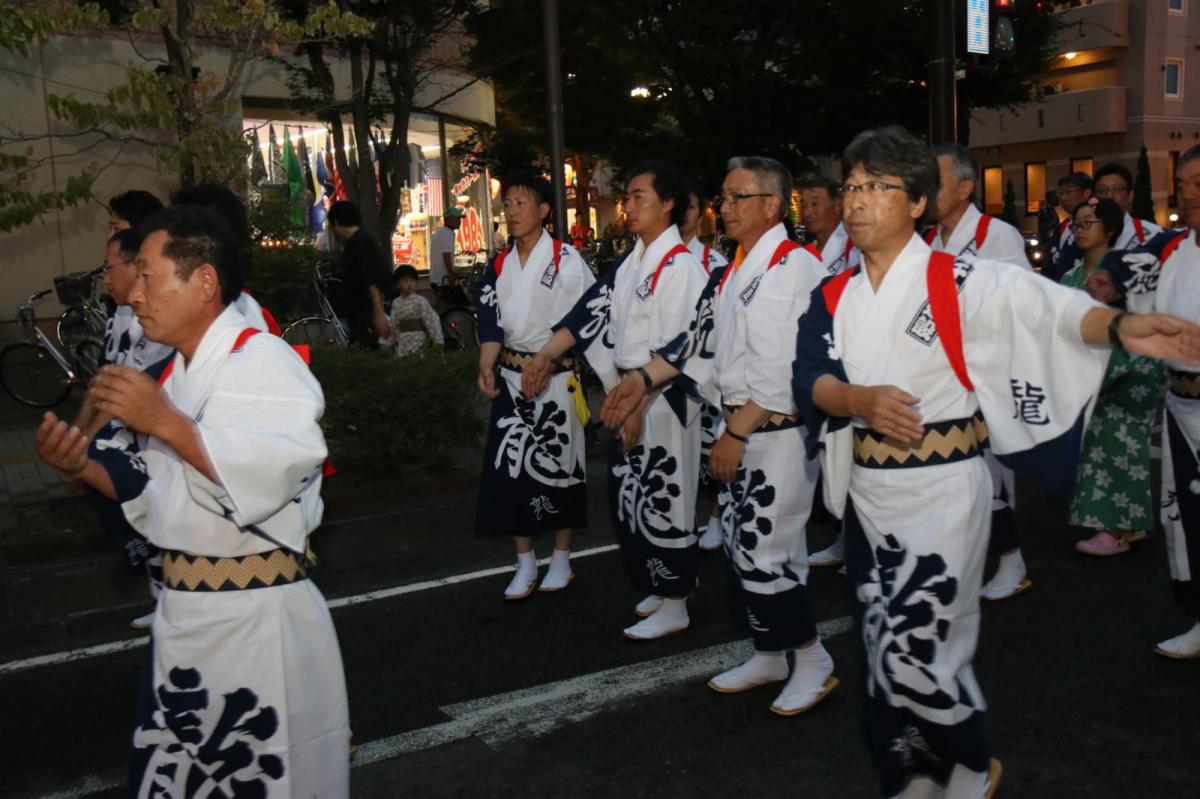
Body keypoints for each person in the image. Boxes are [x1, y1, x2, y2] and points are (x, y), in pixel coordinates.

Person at [792, 125, 1200, 798]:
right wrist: (857, 396)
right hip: (869, 492)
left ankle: (969, 762)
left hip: (943, 488)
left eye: (877, 186)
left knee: (930, 638)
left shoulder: (961, 279)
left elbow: (1046, 310)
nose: (857, 201)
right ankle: (913, 767)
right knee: (882, 642)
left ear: (918, 201)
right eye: (851, 186)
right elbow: (810, 375)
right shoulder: (833, 295)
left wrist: (1123, 326)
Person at [34, 205, 351, 796]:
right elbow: (164, 500)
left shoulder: (264, 361)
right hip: (188, 620)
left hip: (257, 624)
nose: (134, 296)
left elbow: (277, 466)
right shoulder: (179, 375)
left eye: (149, 276)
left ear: (203, 281)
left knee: (261, 778)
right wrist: (85, 466)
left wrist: (168, 424)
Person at [602, 156, 838, 716]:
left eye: (737, 198)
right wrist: (638, 381)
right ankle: (770, 651)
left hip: (772, 432)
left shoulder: (792, 267)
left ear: (772, 207)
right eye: (723, 197)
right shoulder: (737, 268)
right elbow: (696, 342)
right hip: (742, 426)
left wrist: (733, 432)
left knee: (767, 554)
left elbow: (783, 368)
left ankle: (812, 657)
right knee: (745, 548)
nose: (723, 208)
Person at [523, 160, 709, 640]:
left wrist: (638, 403)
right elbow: (589, 316)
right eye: (626, 197)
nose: (627, 206)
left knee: (669, 495)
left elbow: (680, 349)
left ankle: (676, 598)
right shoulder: (632, 262)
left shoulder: (681, 267)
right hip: (629, 393)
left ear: (668, 204)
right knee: (632, 498)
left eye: (638, 196)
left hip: (663, 399)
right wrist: (544, 356)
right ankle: (660, 584)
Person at [1088, 142, 1200, 658]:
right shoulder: (1174, 247)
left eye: (1199, 185)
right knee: (1186, 519)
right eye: (1183, 187)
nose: (1189, 195)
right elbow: (1126, 273)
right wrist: (1109, 280)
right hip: (1179, 404)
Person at [474, 173, 595, 599]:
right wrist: (487, 364)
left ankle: (562, 557)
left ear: (544, 210)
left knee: (562, 469)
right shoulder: (498, 265)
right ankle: (524, 561)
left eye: (522, 202)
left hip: (556, 379)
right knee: (509, 471)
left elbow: (587, 319)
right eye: (507, 203)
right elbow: (489, 324)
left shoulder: (567, 260)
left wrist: (549, 358)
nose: (512, 210)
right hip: (512, 379)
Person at [927, 143, 1034, 602]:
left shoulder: (997, 234)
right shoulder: (929, 240)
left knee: (990, 477)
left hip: (985, 375)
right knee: (949, 478)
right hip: (941, 377)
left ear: (966, 187)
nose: (926, 191)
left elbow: (1019, 301)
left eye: (936, 181)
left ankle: (1012, 560)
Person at [1060, 198, 1162, 556]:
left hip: (1125, 370)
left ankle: (1115, 528)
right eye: (1076, 223)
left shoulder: (1125, 273)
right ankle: (1123, 524)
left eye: (1089, 222)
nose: (1080, 229)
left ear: (1111, 229)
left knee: (1119, 447)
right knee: (1094, 449)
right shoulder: (1071, 275)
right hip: (1084, 370)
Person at [87, 229, 175, 629]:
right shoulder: (123, 314)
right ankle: (165, 597)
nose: (139, 292)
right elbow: (110, 379)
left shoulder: (238, 336)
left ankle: (172, 599)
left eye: (147, 275)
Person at [796, 174, 860, 569]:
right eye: (804, 203)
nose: (808, 210)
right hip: (816, 361)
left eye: (816, 202)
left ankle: (855, 539)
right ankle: (841, 536)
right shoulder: (807, 252)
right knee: (829, 458)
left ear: (838, 205)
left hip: (848, 363)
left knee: (849, 455)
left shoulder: (852, 248)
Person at [680, 187, 728, 551]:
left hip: (706, 372)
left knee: (711, 451)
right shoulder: (653, 260)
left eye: (692, 205)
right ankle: (683, 522)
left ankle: (715, 517)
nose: (685, 212)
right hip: (668, 375)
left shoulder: (715, 263)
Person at [1055, 164, 1162, 282]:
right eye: (1103, 190)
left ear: (1130, 195)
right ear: (1095, 195)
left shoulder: (1151, 234)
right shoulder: (1074, 235)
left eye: (1117, 189)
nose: (1109, 195)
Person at [328, 200, 391, 348]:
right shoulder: (364, 239)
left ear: (337, 222)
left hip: (364, 313)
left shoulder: (357, 244)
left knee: (366, 350)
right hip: (364, 311)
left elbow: (371, 280)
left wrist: (378, 313)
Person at [798, 173, 859, 276]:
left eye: (814, 204)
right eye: (804, 206)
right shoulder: (805, 251)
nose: (807, 212)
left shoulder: (854, 247)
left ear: (837, 206)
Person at [385, 264, 445, 356]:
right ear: (398, 284)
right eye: (405, 281)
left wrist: (438, 341)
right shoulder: (396, 303)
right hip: (403, 342)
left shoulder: (420, 301)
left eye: (412, 280)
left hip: (419, 340)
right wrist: (388, 342)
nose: (409, 284)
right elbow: (394, 324)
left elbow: (432, 320)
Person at [1045, 171, 1094, 280]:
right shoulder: (1062, 227)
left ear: (1086, 193)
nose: (1063, 198)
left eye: (1068, 192)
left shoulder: (1097, 225)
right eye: (1061, 193)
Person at [430, 207, 464, 285]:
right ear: (450, 219)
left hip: (435, 278)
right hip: (443, 279)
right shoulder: (447, 233)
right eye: (457, 219)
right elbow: (446, 256)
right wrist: (451, 276)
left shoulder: (439, 232)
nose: (459, 221)